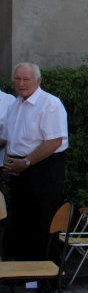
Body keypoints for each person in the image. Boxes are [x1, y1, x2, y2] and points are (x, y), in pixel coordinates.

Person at [3, 63, 67, 279]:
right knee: (21, 220)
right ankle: (24, 274)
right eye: (18, 79)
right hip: (20, 167)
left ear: (38, 81)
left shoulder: (50, 104)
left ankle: (46, 278)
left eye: (26, 79)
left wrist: (27, 162)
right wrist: (10, 160)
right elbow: (13, 137)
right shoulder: (15, 104)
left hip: (43, 167)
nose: (21, 83)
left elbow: (54, 141)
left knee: (43, 220)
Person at [0, 89, 16, 259]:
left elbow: (10, 135)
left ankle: (4, 257)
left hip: (2, 168)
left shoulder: (9, 101)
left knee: (3, 216)